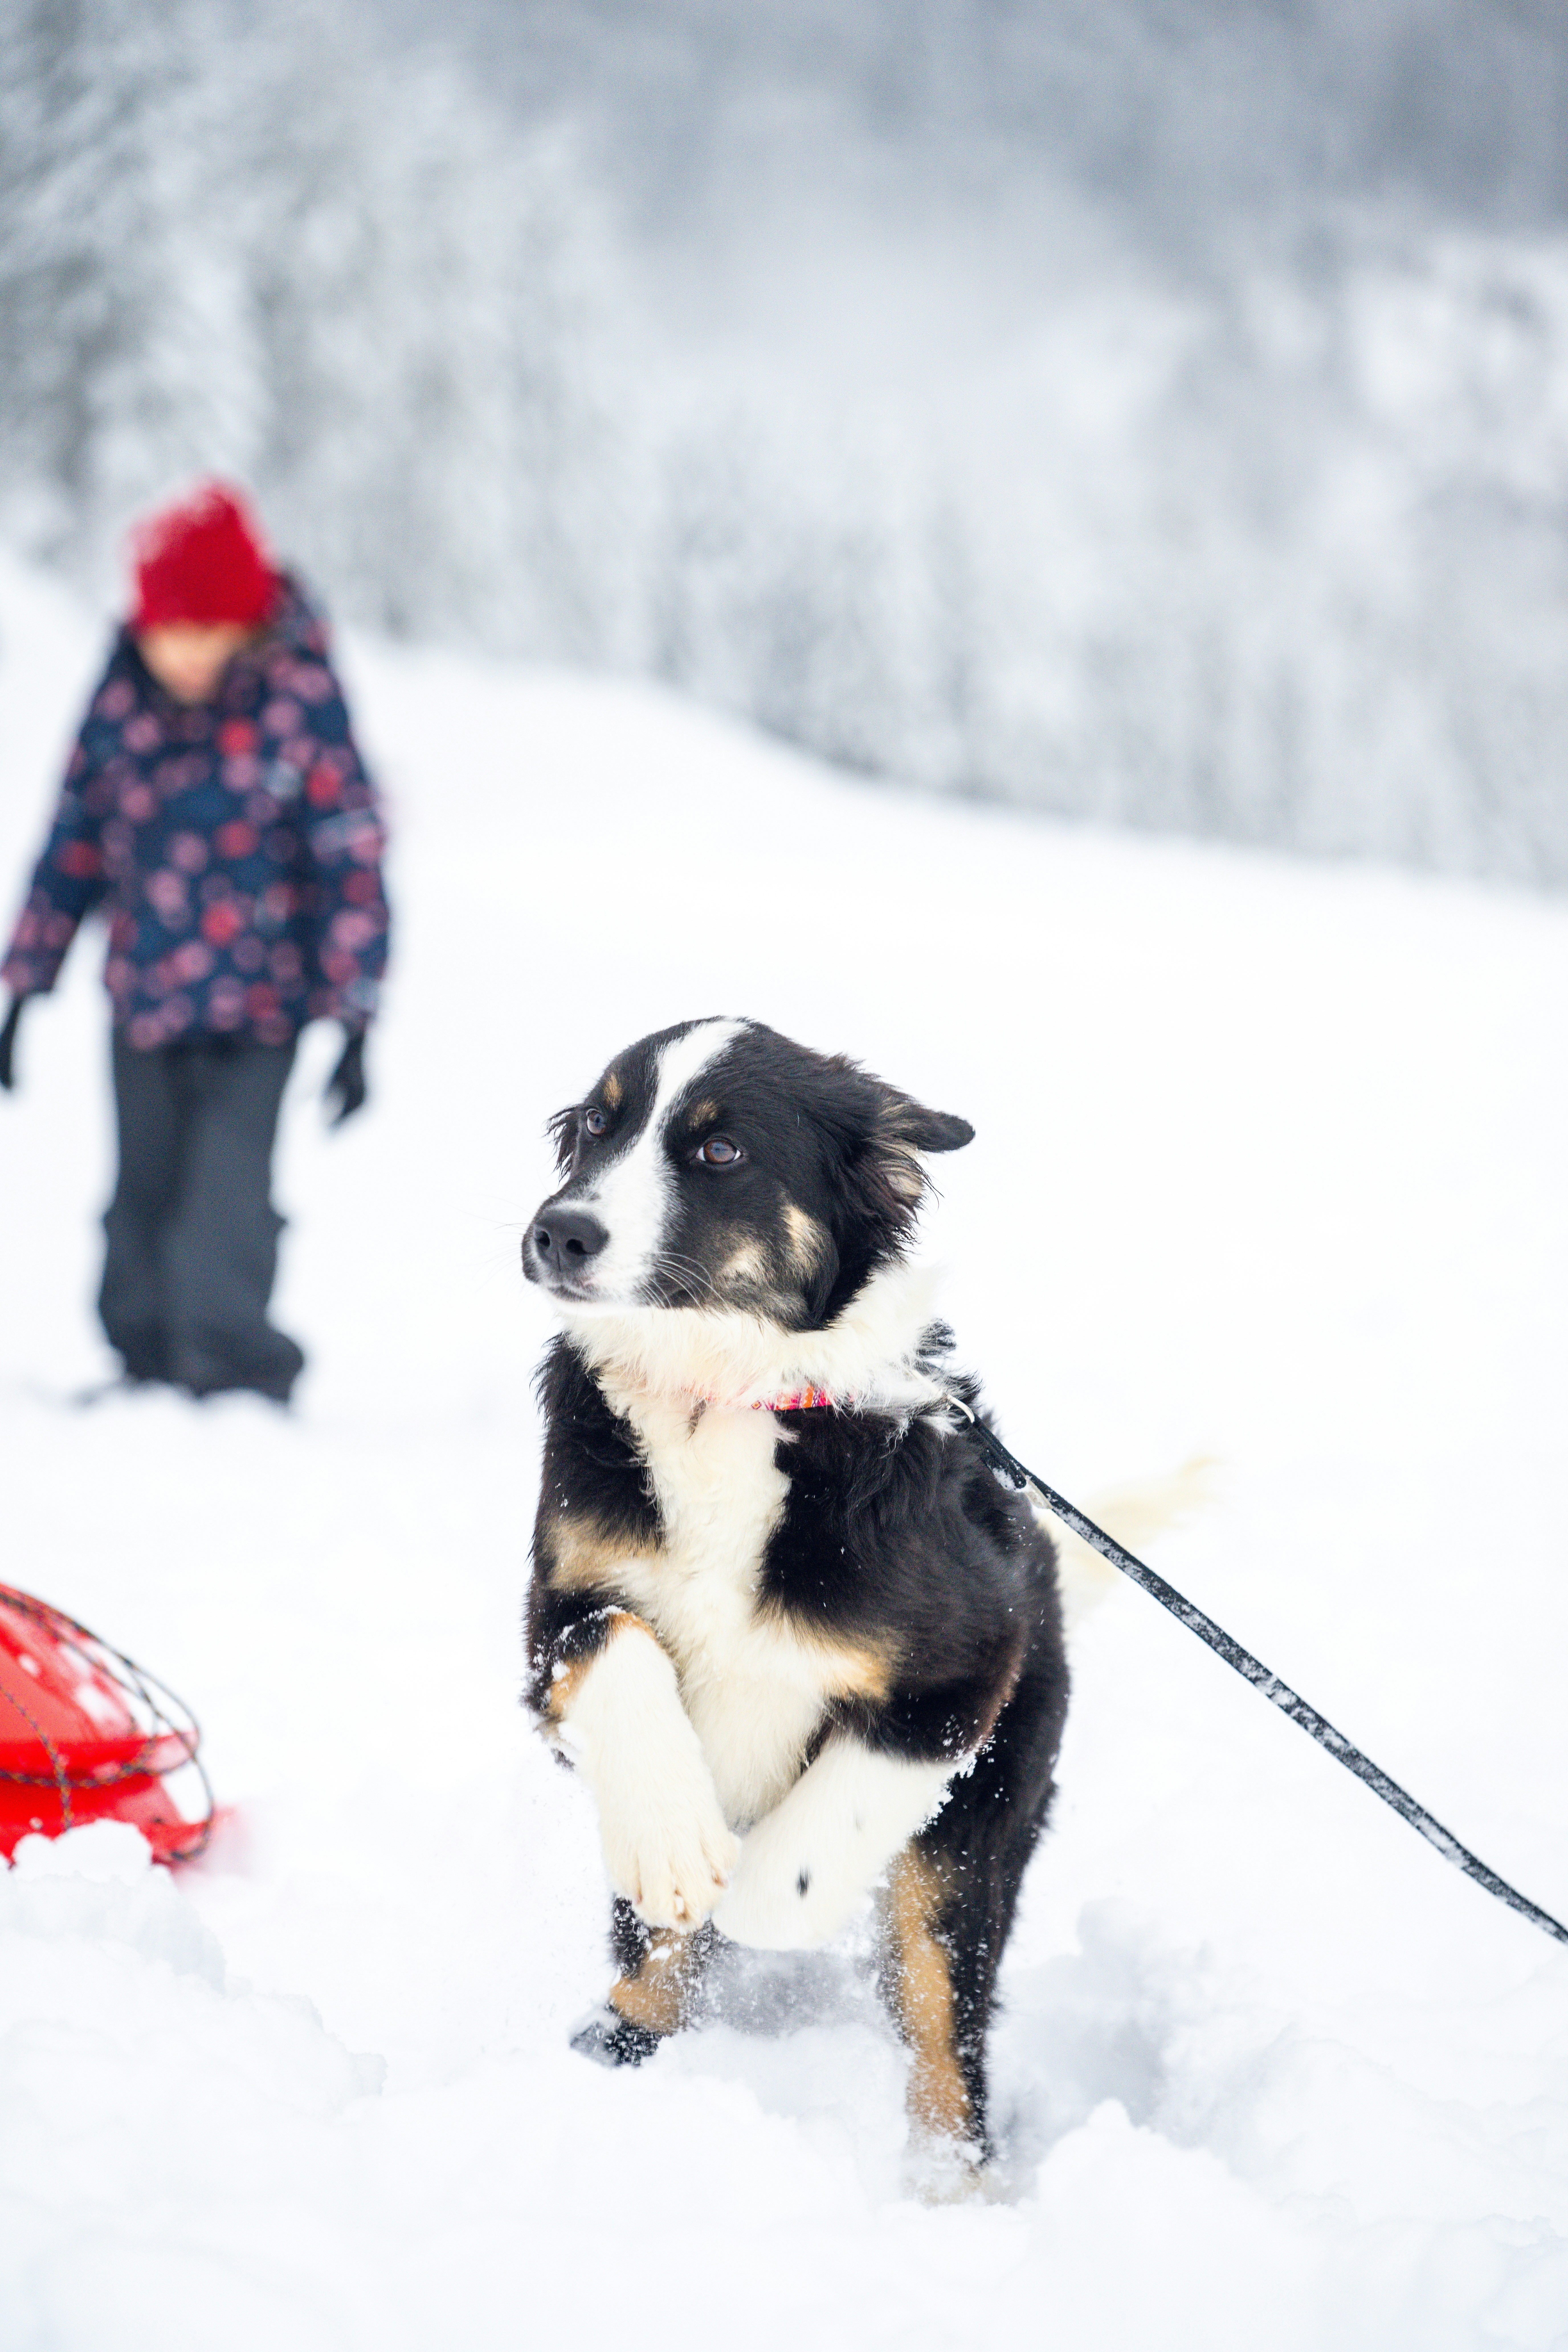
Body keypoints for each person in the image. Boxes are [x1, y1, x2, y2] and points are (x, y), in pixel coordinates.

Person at [0, 482, 389, 1404]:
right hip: (143, 1004)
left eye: (199, 634)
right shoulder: (121, 697)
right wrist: (25, 983)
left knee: (224, 1207)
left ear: (243, 625)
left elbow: (350, 856)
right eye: (161, 631)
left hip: (261, 1014)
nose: (176, 653)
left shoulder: (298, 698)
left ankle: (235, 1368)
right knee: (139, 1199)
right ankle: (144, 1358)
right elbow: (75, 838)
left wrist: (356, 1016)